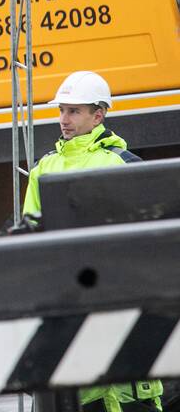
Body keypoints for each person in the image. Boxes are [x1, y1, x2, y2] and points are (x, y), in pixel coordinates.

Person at [24, 71, 163, 412]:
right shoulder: (45, 168)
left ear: (98, 115)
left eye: (73, 111)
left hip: (121, 305)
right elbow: (29, 236)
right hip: (67, 306)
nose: (63, 120)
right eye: (61, 111)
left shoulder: (124, 164)